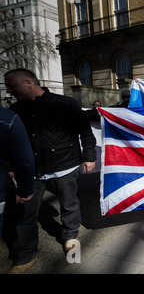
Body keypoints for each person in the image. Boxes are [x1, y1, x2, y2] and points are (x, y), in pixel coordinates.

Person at [4, 68, 97, 267]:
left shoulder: (65, 104)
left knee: (69, 204)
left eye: (11, 86)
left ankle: (70, 238)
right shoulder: (15, 111)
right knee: (25, 213)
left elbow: (86, 133)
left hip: (64, 166)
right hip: (31, 172)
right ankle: (24, 257)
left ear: (28, 83)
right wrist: (12, 166)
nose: (8, 91)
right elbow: (9, 143)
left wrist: (89, 157)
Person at [0, 107, 36, 274]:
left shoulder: (8, 118)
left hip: (59, 166)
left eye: (11, 85)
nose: (8, 89)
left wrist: (25, 188)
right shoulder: (10, 115)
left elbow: (22, 158)